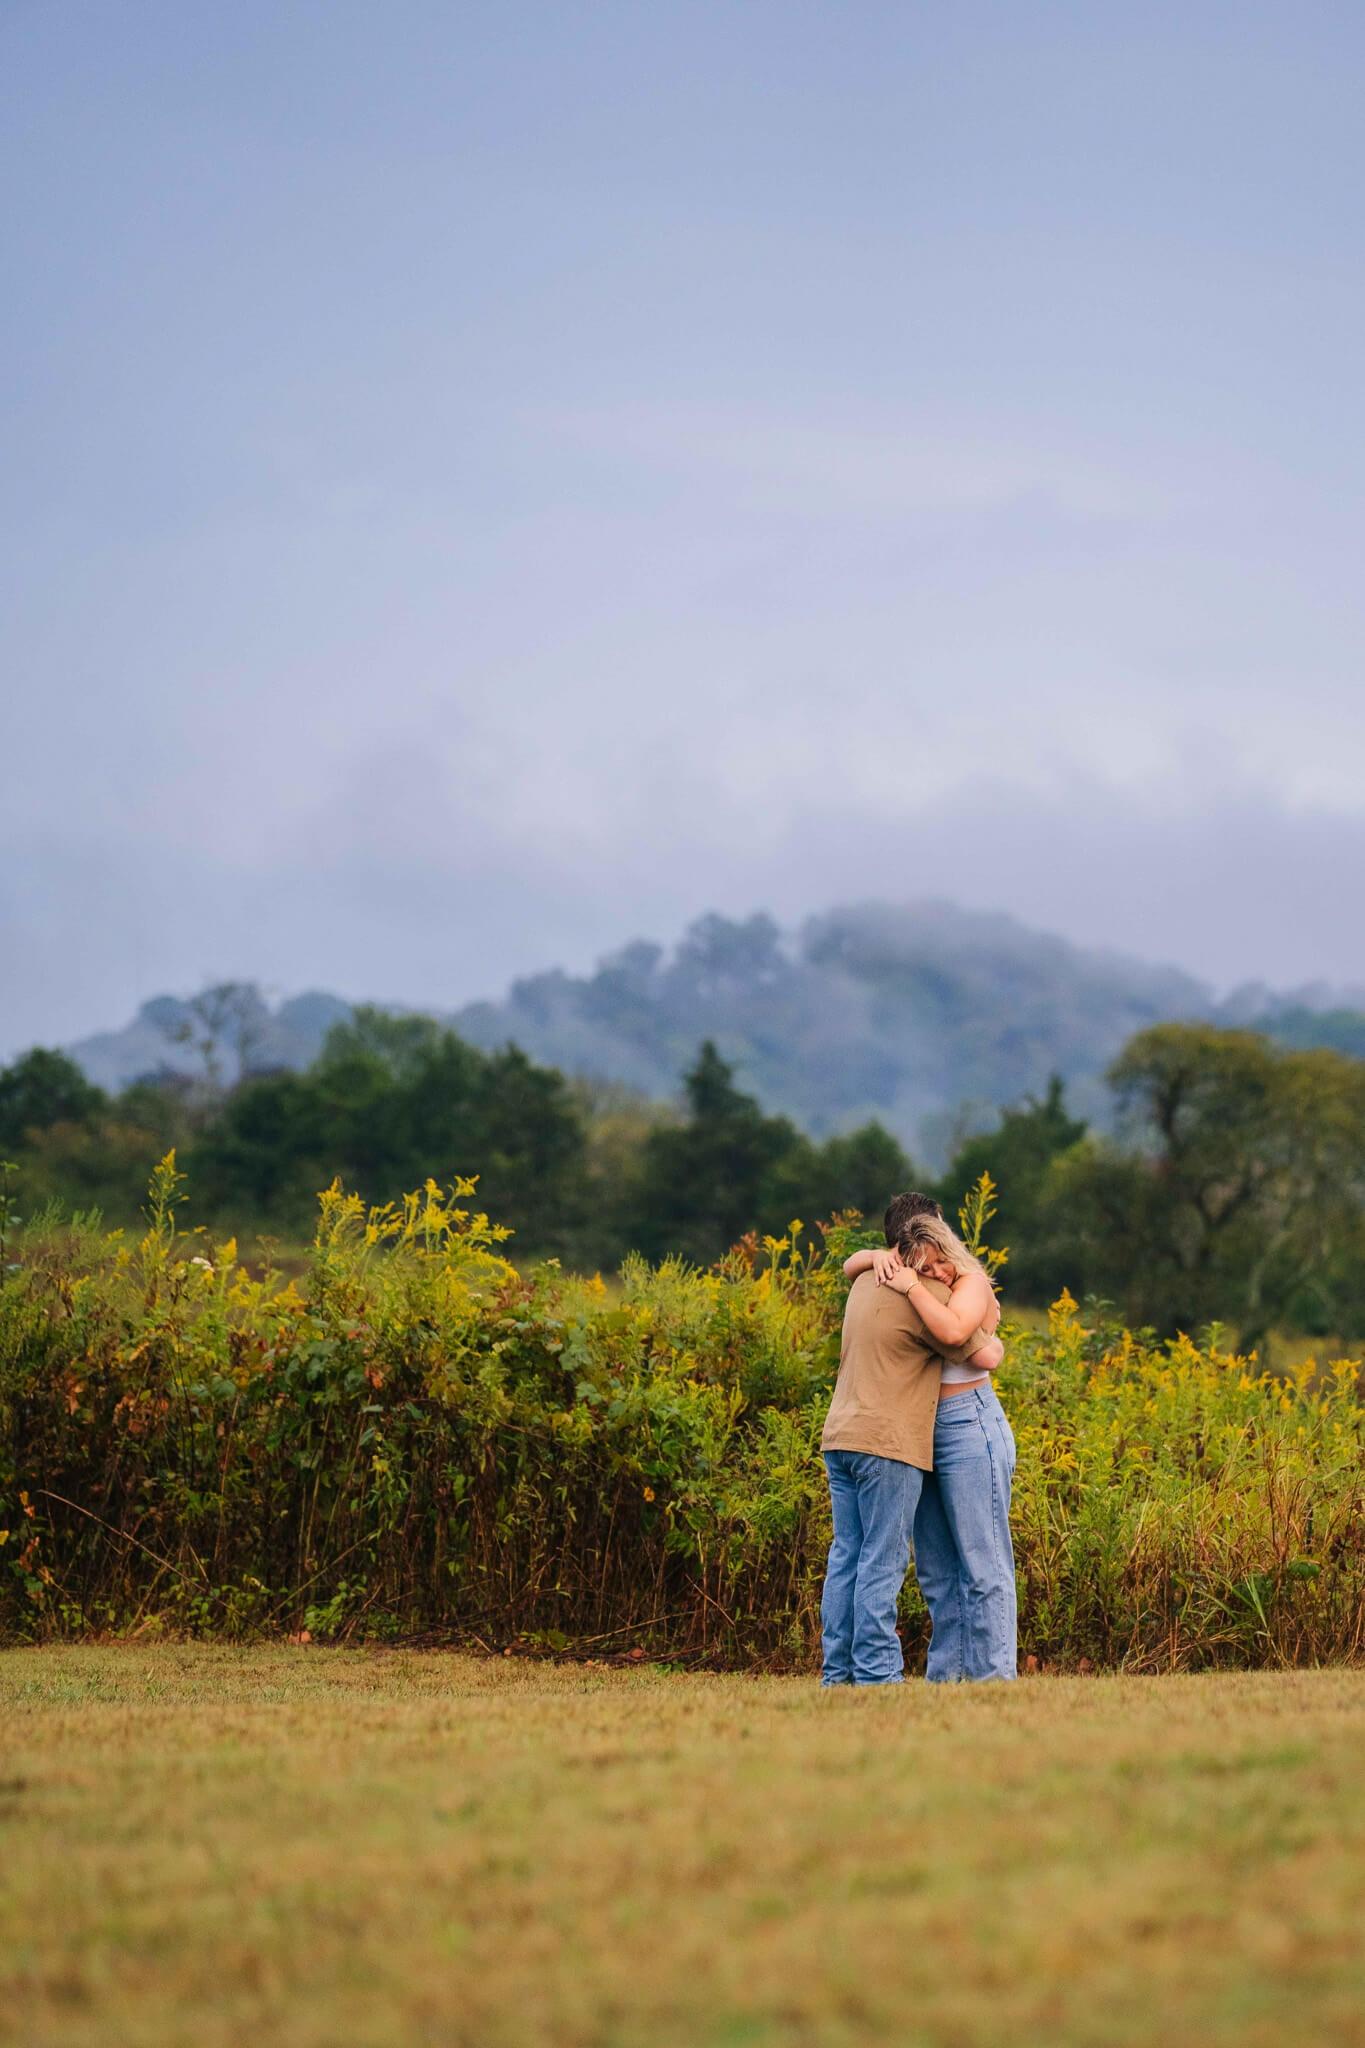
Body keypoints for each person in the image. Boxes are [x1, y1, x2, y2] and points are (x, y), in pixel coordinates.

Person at [818, 1193, 998, 1685]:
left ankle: (837, 1675)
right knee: (883, 1559)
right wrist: (990, 1329)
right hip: (887, 1443)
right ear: (919, 1240)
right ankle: (877, 1676)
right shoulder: (922, 1296)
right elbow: (985, 1352)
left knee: (846, 1556)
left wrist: (867, 1258)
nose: (943, 1259)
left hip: (840, 1436)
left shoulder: (861, 1283)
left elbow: (848, 1264)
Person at [884, 1212, 1018, 1682]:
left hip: (969, 1423)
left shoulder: (973, 1282)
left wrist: (911, 1286)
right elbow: (852, 1265)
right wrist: (875, 1261)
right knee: (938, 1572)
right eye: (922, 1268)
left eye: (938, 1262)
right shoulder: (909, 1281)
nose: (935, 1274)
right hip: (919, 1426)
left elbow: (957, 1334)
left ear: (950, 1252)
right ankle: (947, 1681)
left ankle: (994, 1679)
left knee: (984, 1565)